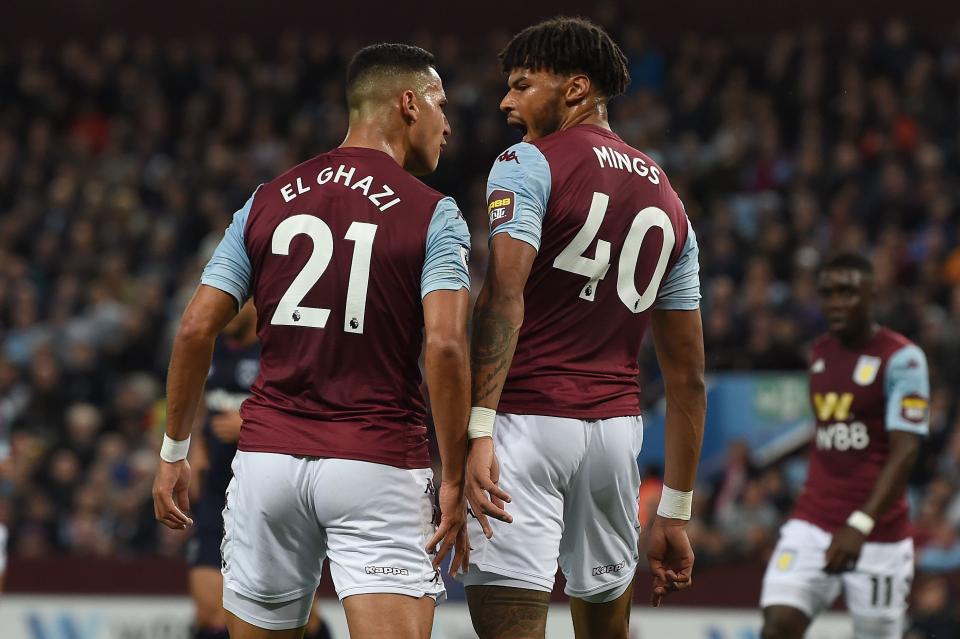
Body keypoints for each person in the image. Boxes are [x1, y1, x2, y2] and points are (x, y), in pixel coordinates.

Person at [152, 43, 473, 639]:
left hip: (268, 462)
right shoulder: (434, 214)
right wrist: (453, 474)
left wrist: (174, 450)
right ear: (407, 104)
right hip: (376, 462)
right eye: (438, 102)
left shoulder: (266, 200)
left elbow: (196, 327)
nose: (446, 122)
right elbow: (448, 348)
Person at [460, 17, 706, 639]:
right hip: (615, 438)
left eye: (521, 85)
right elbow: (688, 378)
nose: (506, 102)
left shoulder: (526, 163)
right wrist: (674, 512)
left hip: (526, 422)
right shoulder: (670, 203)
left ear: (574, 89)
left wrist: (477, 430)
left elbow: (502, 299)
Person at [760, 253, 929, 639]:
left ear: (872, 294)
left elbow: (906, 451)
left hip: (878, 532)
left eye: (848, 292)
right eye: (828, 293)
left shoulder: (903, 359)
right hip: (813, 520)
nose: (836, 302)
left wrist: (860, 523)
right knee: (777, 627)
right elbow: (831, 430)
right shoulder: (819, 352)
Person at [185, 301, 260, 639]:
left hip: (263, 497)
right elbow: (204, 398)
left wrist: (251, 421)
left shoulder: (278, 351)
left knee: (293, 617)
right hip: (216, 492)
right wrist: (196, 445)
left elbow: (310, 405)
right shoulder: (214, 346)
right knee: (208, 612)